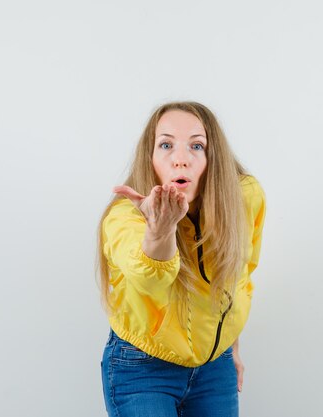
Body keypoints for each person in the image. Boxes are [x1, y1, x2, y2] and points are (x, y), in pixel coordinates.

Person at [96, 101, 266, 417]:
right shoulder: (123, 218)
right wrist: (159, 231)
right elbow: (148, 278)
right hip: (142, 368)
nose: (181, 160)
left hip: (215, 367)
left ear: (213, 158)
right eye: (166, 145)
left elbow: (239, 276)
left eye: (196, 146)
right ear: (151, 157)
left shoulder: (244, 198)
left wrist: (232, 346)